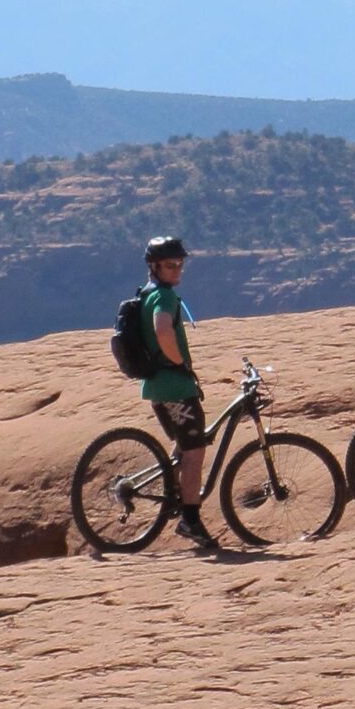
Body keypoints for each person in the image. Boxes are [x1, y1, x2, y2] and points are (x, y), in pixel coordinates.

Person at [139, 234, 216, 551]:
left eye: (181, 264)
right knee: (195, 450)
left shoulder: (147, 293)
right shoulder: (164, 297)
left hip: (160, 387)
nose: (177, 270)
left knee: (185, 446)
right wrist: (179, 361)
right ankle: (190, 519)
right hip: (174, 387)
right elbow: (161, 329)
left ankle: (174, 494)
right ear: (154, 266)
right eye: (171, 265)